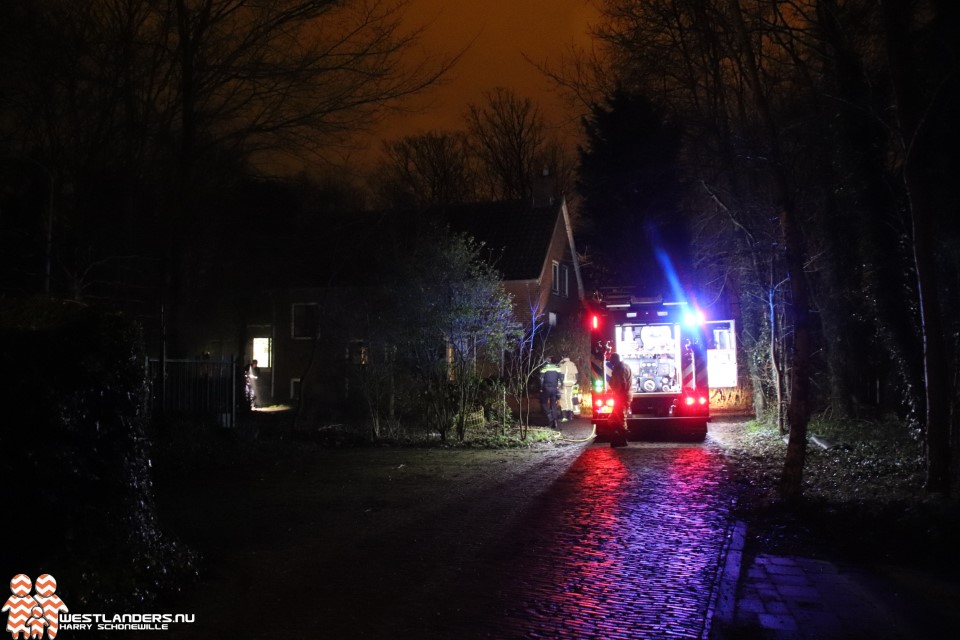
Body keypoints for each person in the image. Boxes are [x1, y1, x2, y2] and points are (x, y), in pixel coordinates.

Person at [607, 352, 632, 447]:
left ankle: (622, 439)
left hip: (620, 396)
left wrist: (617, 394)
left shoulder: (618, 369)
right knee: (616, 418)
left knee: (619, 418)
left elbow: (621, 383)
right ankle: (621, 439)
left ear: (614, 360)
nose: (610, 362)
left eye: (611, 360)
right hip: (625, 395)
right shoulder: (626, 366)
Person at [539, 356, 563, 429]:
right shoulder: (558, 368)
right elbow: (561, 379)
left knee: (543, 403)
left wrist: (540, 388)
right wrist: (559, 388)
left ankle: (550, 416)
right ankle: (555, 421)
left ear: (549, 361)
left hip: (546, 388)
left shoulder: (545, 367)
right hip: (554, 388)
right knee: (553, 404)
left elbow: (541, 378)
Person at [558, 356, 579, 422]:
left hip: (564, 384)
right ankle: (570, 415)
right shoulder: (572, 364)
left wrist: (560, 384)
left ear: (563, 358)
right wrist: (575, 382)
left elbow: (561, 375)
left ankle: (565, 416)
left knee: (563, 399)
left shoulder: (562, 364)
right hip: (572, 384)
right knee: (571, 399)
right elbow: (576, 374)